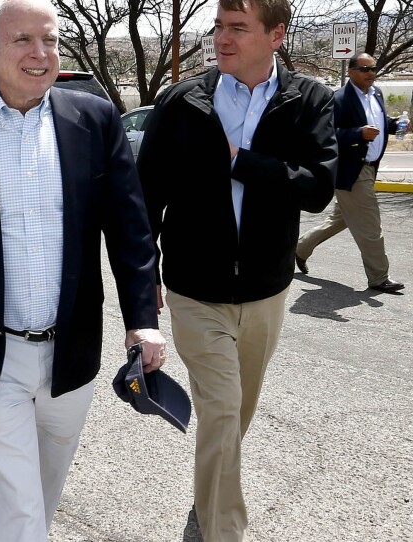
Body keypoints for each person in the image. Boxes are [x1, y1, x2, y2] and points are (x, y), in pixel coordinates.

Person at [0, 0, 166, 539]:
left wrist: (142, 318)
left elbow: (130, 229)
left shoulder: (93, 121)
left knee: (40, 495)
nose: (39, 53)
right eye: (22, 39)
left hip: (70, 353)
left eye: (49, 39)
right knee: (22, 514)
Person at [138, 0, 337, 540]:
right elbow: (145, 195)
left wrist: (241, 162)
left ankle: (208, 498)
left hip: (267, 291)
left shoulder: (308, 100)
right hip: (194, 291)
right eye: (218, 27)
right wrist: (143, 277)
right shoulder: (182, 102)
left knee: (234, 417)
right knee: (222, 410)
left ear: (276, 35)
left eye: (238, 28)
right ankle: (222, 530)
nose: (222, 39)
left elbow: (319, 188)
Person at [296, 52, 405, 293]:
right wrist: (357, 134)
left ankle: (300, 248)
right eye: (365, 69)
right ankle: (379, 277)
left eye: (373, 69)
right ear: (351, 71)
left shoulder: (375, 93)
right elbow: (327, 135)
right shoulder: (338, 99)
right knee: (370, 224)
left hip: (369, 167)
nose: (371, 74)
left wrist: (394, 124)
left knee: (340, 219)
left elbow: (378, 120)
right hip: (351, 171)